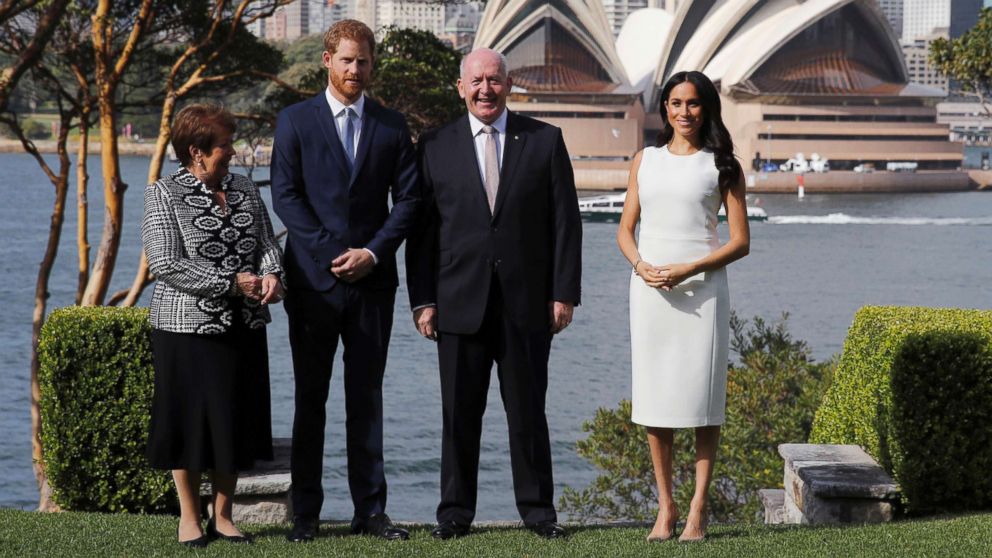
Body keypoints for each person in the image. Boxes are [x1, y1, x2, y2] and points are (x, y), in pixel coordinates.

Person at [405, 47, 582, 540]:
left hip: (528, 305)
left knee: (528, 414)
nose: (486, 89)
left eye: (495, 80)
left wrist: (563, 293)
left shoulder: (545, 141)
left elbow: (566, 224)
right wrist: (423, 300)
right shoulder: (435, 145)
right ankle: (455, 514)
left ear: (509, 85)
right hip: (456, 304)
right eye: (476, 81)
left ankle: (539, 514)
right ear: (461, 87)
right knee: (458, 416)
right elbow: (421, 234)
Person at [270, 19, 420, 542]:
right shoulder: (294, 121)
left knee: (367, 398)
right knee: (311, 400)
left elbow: (410, 201)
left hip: (372, 286)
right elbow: (286, 197)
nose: (356, 69)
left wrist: (373, 253)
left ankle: (370, 512)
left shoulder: (391, 125)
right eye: (347, 60)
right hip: (313, 284)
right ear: (327, 60)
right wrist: (338, 255)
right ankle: (305, 515)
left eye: (364, 61)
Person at [142, 103, 285, 548]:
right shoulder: (162, 194)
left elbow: (266, 242)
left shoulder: (243, 187)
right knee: (187, 424)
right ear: (196, 151)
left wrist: (273, 274)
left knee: (234, 420)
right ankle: (189, 518)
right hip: (184, 328)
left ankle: (223, 516)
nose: (233, 151)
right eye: (224, 145)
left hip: (244, 325)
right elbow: (165, 264)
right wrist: (231, 283)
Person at [616, 70, 750, 543]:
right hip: (650, 292)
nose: (684, 113)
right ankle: (666, 507)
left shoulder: (723, 164)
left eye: (693, 104)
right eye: (675, 103)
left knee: (702, 402)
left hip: (703, 292)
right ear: (664, 108)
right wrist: (642, 266)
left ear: (707, 107)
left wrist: (688, 269)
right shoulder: (645, 160)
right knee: (655, 401)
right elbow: (625, 230)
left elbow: (740, 242)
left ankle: (698, 508)